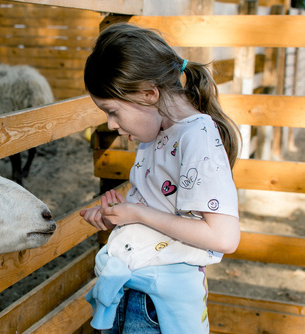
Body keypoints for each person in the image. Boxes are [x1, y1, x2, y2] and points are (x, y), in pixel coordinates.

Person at [80, 23, 241, 334]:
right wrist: (120, 217)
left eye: (112, 111)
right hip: (135, 287)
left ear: (149, 94)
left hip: (158, 304)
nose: (111, 125)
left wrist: (137, 213)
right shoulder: (155, 134)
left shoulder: (197, 138)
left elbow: (224, 237)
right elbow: (165, 214)